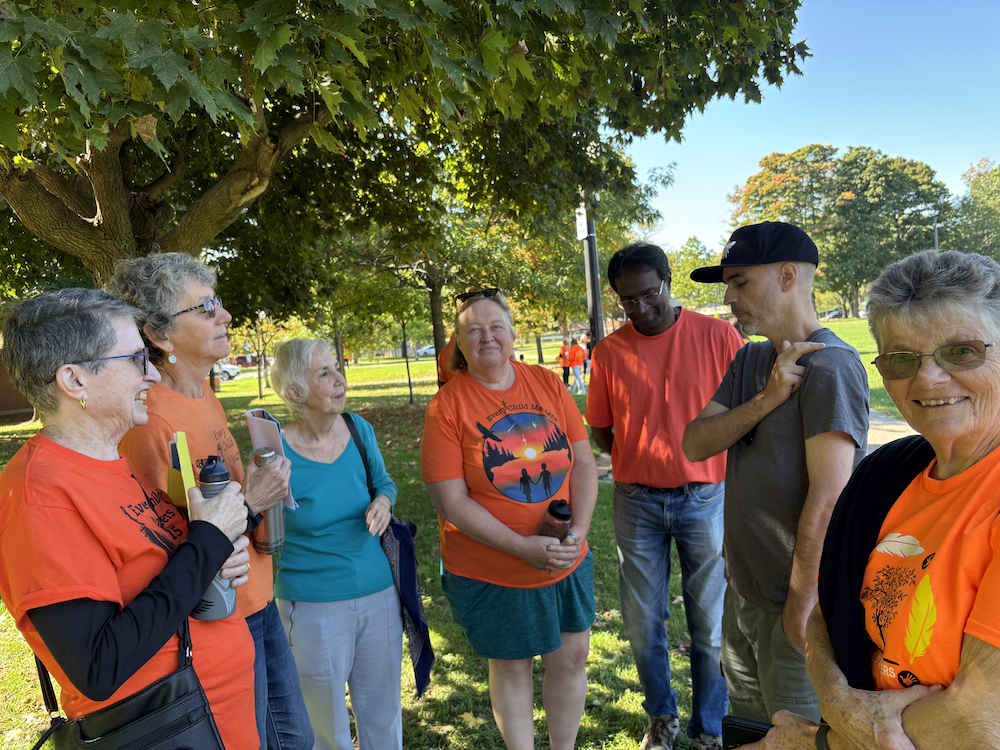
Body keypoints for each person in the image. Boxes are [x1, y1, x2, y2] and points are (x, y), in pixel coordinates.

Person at [746, 249, 1000, 749]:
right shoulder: (889, 474)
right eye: (902, 359)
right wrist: (836, 697)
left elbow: (981, 721)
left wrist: (817, 744)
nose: (928, 378)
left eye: (961, 352)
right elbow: (826, 611)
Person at [0, 289, 257, 749]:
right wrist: (208, 540)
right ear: (75, 381)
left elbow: (157, 573)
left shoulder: (112, 460)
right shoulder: (40, 496)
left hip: (216, 721)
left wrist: (214, 558)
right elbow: (98, 667)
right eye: (138, 359)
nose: (154, 374)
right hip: (169, 729)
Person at [107, 254, 312, 750]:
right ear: (159, 335)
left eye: (217, 303)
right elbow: (170, 550)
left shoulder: (204, 396)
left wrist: (263, 489)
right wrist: (255, 502)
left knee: (295, 741)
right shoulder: (148, 422)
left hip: (258, 602)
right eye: (205, 309)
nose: (225, 317)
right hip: (218, 623)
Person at [682, 222, 869, 724]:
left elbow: (829, 500)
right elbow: (695, 442)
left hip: (795, 608)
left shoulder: (831, 366)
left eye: (740, 282)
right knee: (746, 728)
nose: (729, 297)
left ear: (787, 276)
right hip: (742, 591)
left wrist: (800, 608)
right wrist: (765, 400)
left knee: (792, 735)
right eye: (728, 285)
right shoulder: (752, 358)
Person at [421, 288, 599, 750]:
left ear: (512, 332)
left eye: (495, 326)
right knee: (513, 663)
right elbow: (451, 503)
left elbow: (582, 462)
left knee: (571, 656)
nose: (487, 337)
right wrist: (521, 547)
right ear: (458, 344)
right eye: (473, 330)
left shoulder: (548, 383)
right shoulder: (447, 406)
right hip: (493, 568)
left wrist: (577, 532)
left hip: (565, 557)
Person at [586, 242, 745, 750]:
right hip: (636, 502)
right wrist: (640, 459)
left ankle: (709, 727)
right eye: (627, 301)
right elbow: (602, 431)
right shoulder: (609, 353)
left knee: (710, 623)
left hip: (706, 498)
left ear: (668, 282)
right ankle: (662, 718)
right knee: (642, 623)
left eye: (648, 293)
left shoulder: (720, 336)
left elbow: (747, 415)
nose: (640, 307)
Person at [269, 338, 403, 750]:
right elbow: (263, 529)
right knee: (325, 727)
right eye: (324, 373)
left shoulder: (359, 429)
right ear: (294, 392)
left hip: (379, 594)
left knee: (384, 715)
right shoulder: (275, 452)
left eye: (337, 368)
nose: (339, 380)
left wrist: (383, 500)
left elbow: (384, 482)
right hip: (311, 607)